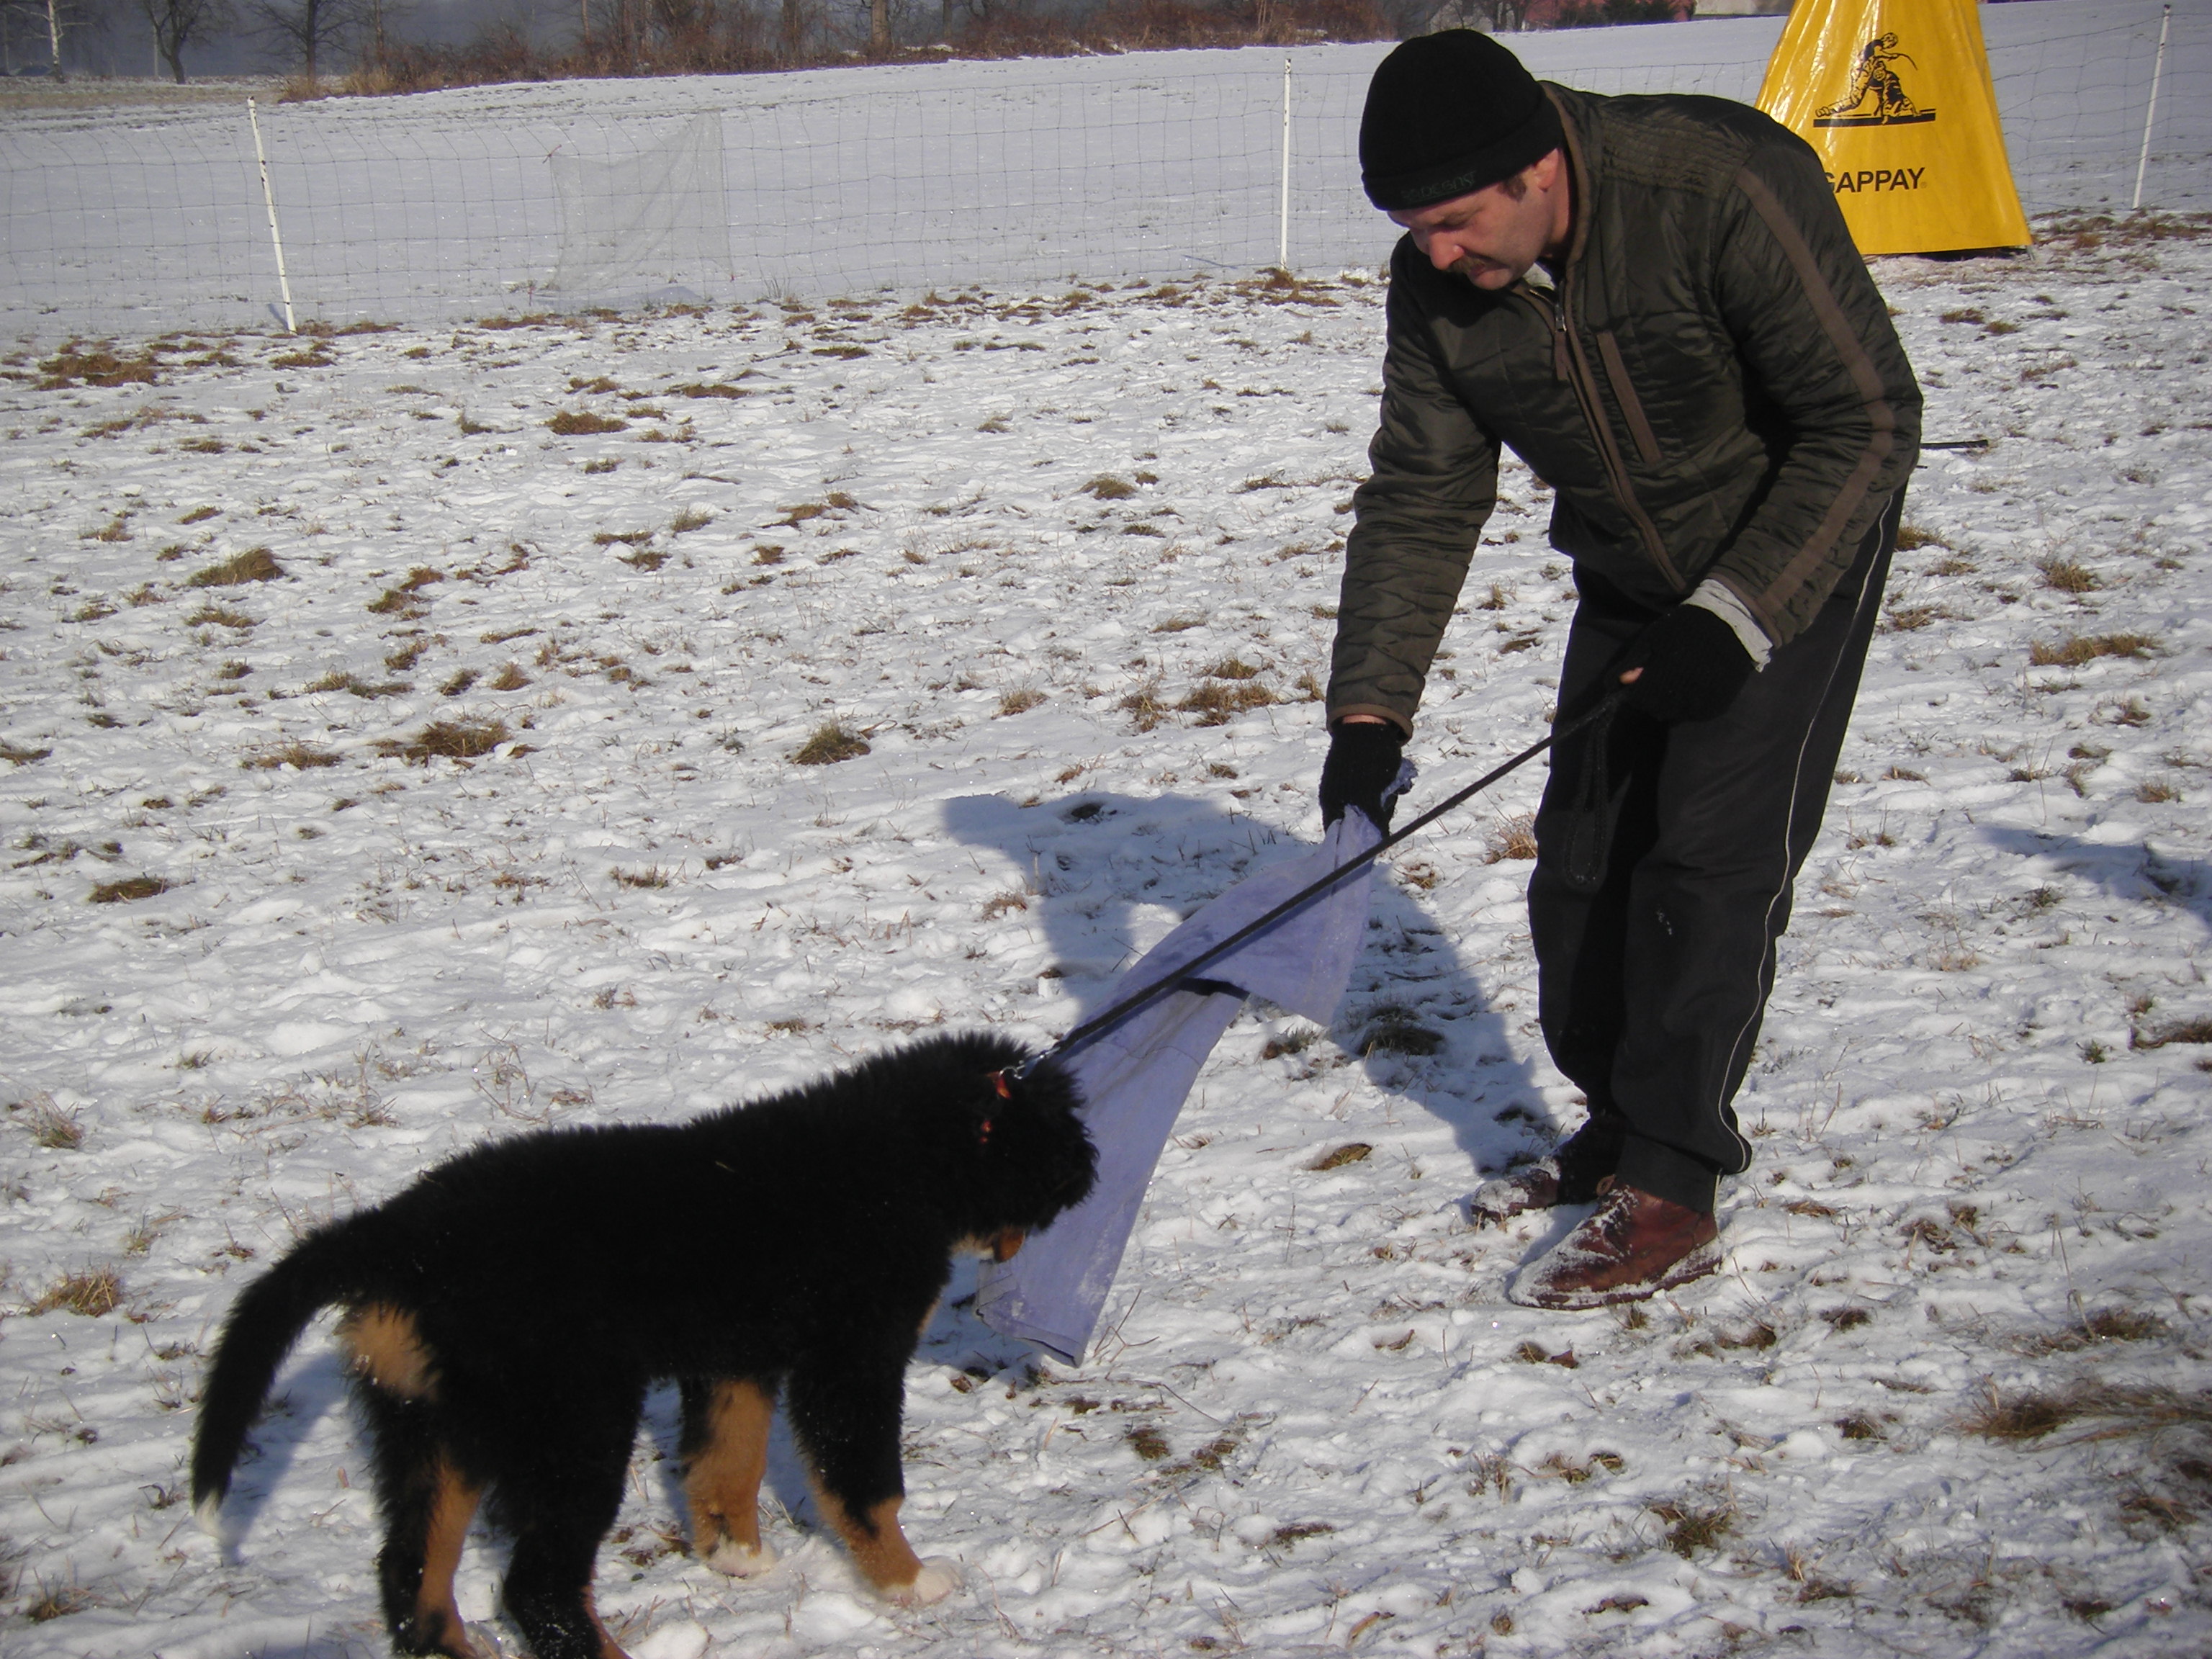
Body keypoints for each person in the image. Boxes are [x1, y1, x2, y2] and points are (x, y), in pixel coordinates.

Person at [1317, 30, 1920, 1309]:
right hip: (1632, 578)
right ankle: (1614, 1123)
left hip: (1786, 549)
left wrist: (1738, 614)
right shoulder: (1438, 289)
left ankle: (1676, 1174)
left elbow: (1868, 418)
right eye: (1411, 227)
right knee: (1582, 861)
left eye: (1456, 221)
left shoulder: (1716, 185)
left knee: (1707, 852)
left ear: (1540, 166)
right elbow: (1423, 494)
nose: (1435, 255)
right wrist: (1370, 715)